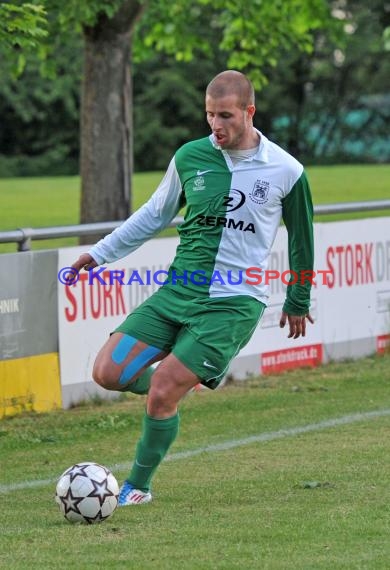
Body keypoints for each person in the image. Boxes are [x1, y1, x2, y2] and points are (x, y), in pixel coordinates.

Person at [71, 70, 314, 506]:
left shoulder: (287, 169)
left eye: (225, 116)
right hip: (178, 290)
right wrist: (101, 252)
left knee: (162, 389)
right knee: (108, 372)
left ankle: (137, 486)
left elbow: (302, 238)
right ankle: (180, 382)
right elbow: (154, 214)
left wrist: (298, 298)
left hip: (234, 303)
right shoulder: (190, 157)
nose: (216, 126)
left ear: (249, 112)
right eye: (209, 116)